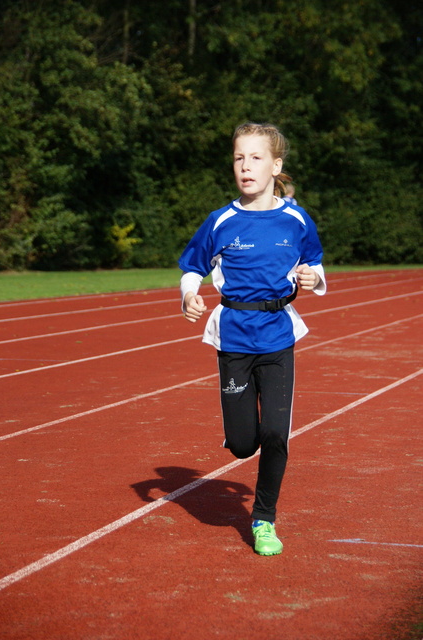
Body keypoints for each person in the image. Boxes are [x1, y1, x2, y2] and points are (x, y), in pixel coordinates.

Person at [178, 122, 326, 556]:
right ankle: (242, 433)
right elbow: (192, 266)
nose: (246, 166)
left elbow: (316, 264)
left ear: (275, 166)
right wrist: (189, 292)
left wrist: (313, 276)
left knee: (277, 433)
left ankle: (263, 519)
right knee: (244, 444)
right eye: (240, 158)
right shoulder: (220, 221)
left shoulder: (296, 218)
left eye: (256, 158)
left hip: (279, 336)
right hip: (234, 339)